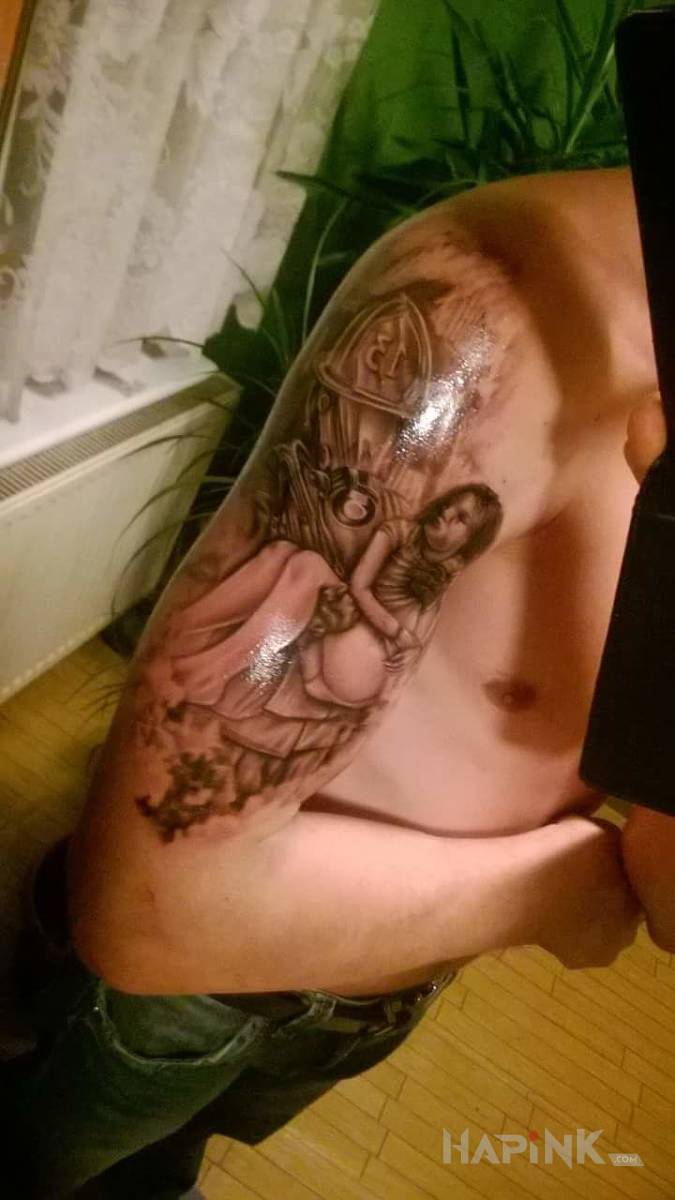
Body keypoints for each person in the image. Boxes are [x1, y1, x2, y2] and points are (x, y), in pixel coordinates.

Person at [4, 165, 675, 1198]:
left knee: (163, 1165)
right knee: (40, 1160)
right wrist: (555, 890)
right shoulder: (490, 321)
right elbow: (151, 912)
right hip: (190, 998)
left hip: (380, 998)